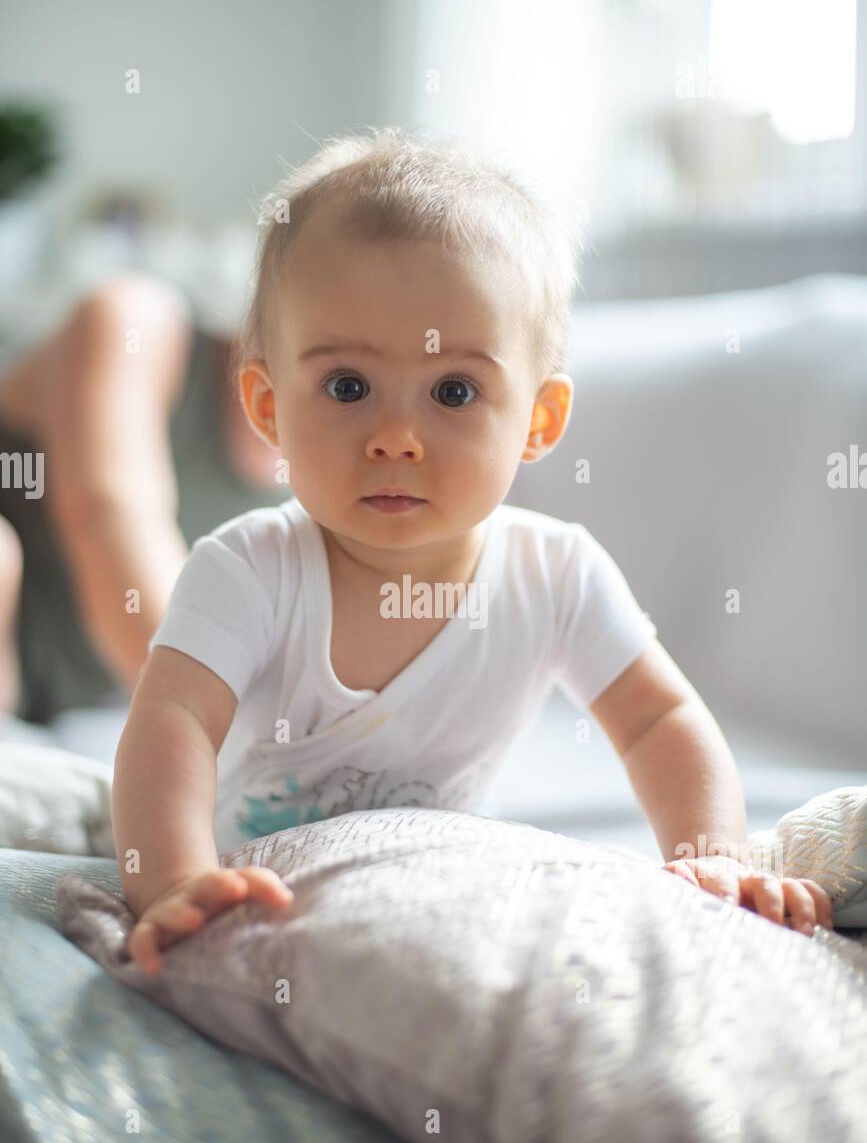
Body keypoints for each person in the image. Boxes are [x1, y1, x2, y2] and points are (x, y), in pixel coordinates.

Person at [109, 126, 833, 975]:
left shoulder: (556, 575)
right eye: (347, 386)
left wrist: (715, 854)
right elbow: (170, 723)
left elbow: (657, 719)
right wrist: (172, 881)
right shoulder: (247, 568)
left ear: (538, 420)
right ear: (269, 408)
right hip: (243, 878)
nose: (394, 437)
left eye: (453, 390)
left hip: (406, 890)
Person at [0, 272, 288, 724]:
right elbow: (112, 520)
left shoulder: (345, 482)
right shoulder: (136, 322)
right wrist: (234, 735)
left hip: (65, 700)